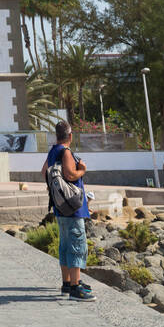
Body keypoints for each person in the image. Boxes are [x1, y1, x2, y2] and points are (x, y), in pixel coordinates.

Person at [41, 120, 95, 301]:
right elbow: (71, 174)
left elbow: (44, 172)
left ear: (57, 135)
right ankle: (75, 287)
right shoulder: (66, 151)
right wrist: (82, 170)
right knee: (77, 244)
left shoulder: (53, 151)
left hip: (59, 206)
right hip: (72, 207)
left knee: (65, 244)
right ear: (70, 136)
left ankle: (67, 282)